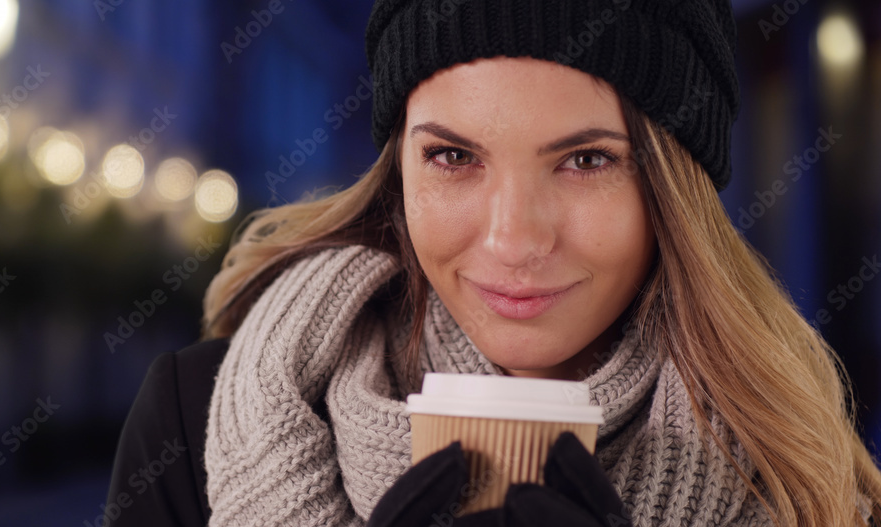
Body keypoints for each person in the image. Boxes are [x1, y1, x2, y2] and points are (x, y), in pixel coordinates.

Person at [106, 0, 881, 525]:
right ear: (399, 165)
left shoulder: (798, 470)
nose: (514, 240)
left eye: (585, 159)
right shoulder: (193, 420)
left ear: (673, 190)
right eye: (452, 155)